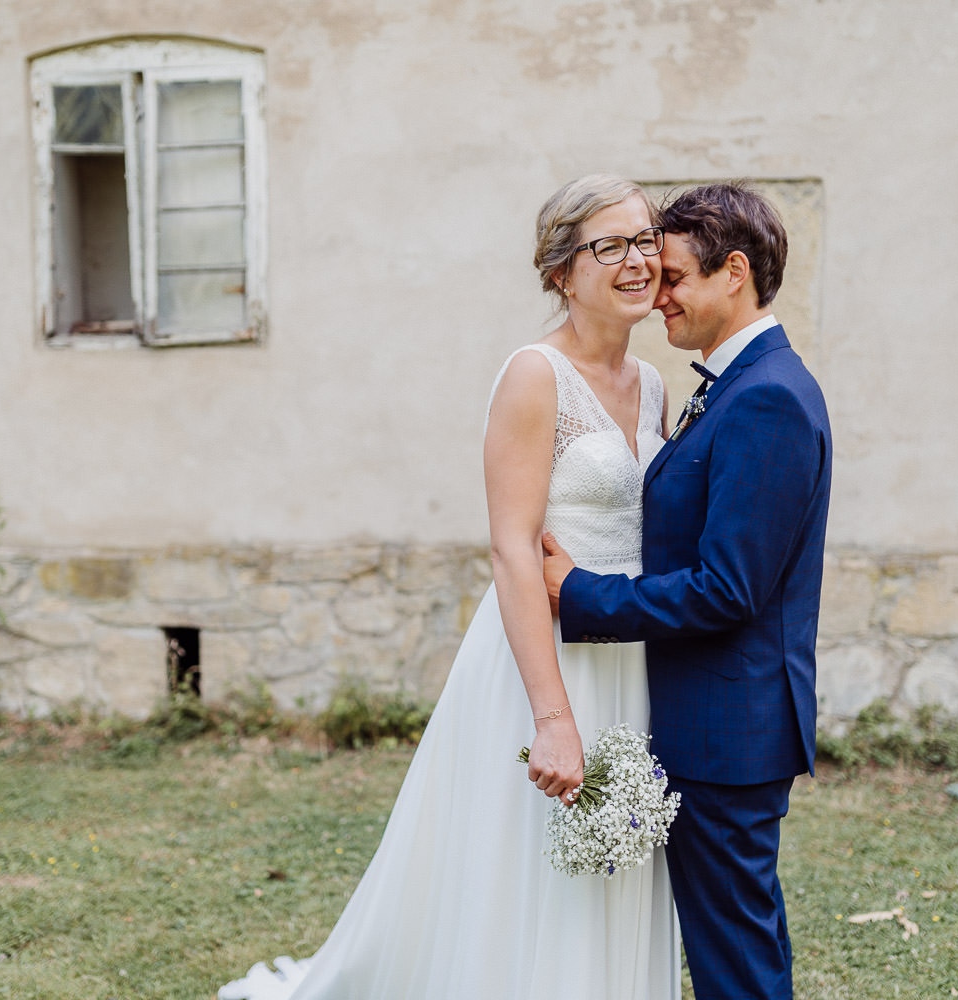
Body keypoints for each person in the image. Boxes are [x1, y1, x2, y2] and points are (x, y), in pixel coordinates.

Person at [219, 174, 680, 1000]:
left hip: (630, 659)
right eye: (608, 246)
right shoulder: (535, 376)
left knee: (613, 860)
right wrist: (552, 717)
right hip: (545, 659)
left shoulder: (655, 386)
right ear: (561, 272)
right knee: (525, 868)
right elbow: (511, 552)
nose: (637, 259)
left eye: (645, 238)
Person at [542, 181, 832, 1000]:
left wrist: (583, 593)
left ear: (732, 272)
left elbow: (727, 589)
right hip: (709, 720)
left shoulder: (768, 396)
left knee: (734, 956)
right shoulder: (732, 383)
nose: (655, 294)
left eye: (674, 278)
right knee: (730, 941)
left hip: (728, 731)